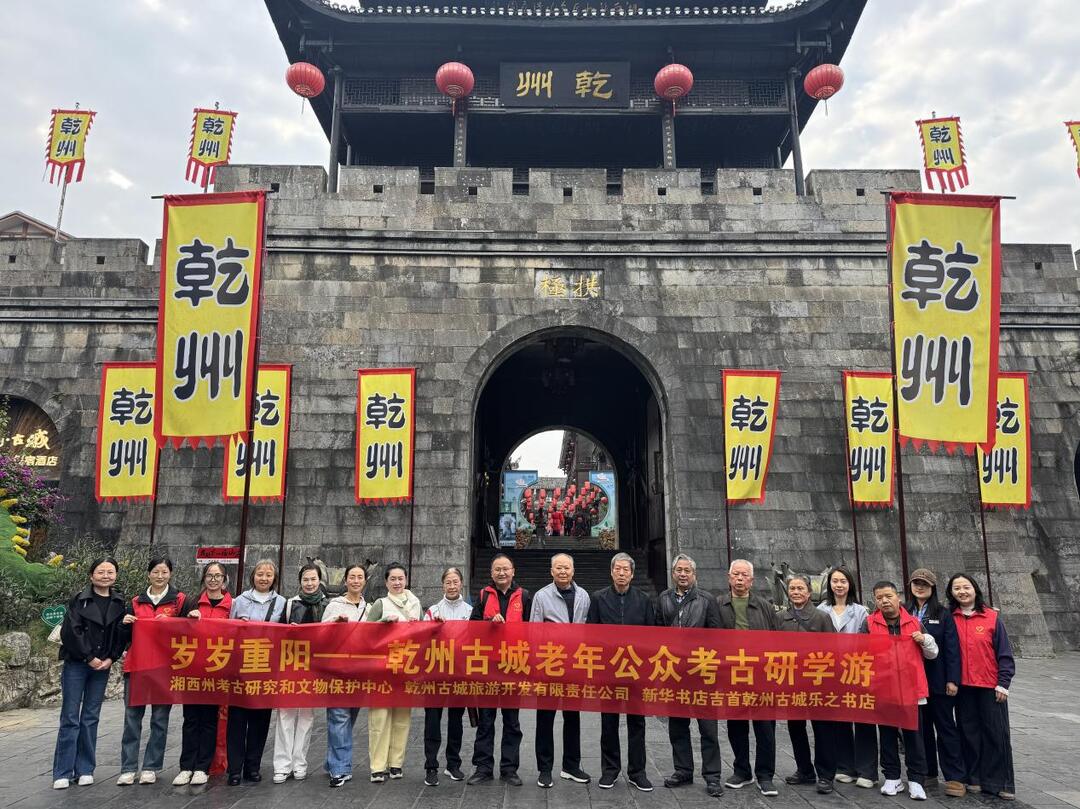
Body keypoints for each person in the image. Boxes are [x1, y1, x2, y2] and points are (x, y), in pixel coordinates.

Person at [51, 557, 128, 790]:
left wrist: (111, 658)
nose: (106, 576)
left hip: (102, 666)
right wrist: (89, 657)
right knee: (70, 717)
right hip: (78, 663)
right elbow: (71, 632)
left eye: (110, 572)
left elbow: (119, 633)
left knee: (91, 717)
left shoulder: (119, 601)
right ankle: (62, 771)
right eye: (101, 572)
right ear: (91, 575)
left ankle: (85, 768)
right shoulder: (79, 599)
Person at [656, 553, 724, 798]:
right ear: (673, 573)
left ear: (694, 574)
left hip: (701, 673)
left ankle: (713, 776)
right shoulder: (663, 598)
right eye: (679, 570)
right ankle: (683, 770)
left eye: (687, 570)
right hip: (675, 674)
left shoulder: (706, 600)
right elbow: (656, 634)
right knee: (678, 726)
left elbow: (717, 636)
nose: (683, 574)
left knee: (708, 728)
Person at [863, 580, 938, 801]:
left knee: (914, 736)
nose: (884, 601)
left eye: (888, 596)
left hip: (911, 690)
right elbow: (859, 653)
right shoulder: (868, 624)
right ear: (875, 601)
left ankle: (916, 780)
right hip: (883, 689)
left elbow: (933, 654)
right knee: (886, 735)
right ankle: (892, 777)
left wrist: (924, 640)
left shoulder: (915, 623)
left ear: (898, 597)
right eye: (879, 598)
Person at [587, 552, 655, 792]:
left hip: (636, 671)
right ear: (612, 571)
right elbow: (591, 634)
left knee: (637, 722)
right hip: (609, 671)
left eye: (626, 569)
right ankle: (610, 770)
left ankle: (638, 772)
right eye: (618, 569)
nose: (622, 573)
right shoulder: (599, 598)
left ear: (632, 574)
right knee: (609, 722)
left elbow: (652, 636)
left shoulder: (644, 599)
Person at [118, 555, 187, 785]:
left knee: (159, 719)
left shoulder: (179, 601)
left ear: (170, 574)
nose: (160, 576)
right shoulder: (136, 601)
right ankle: (128, 767)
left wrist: (189, 618)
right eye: (156, 572)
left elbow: (188, 632)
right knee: (132, 718)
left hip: (164, 668)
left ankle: (151, 766)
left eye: (164, 572)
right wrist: (125, 624)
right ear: (148, 574)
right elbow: (125, 638)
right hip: (137, 667)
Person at [947, 573, 1016, 801]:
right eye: (957, 588)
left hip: (989, 685)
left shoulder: (991, 617)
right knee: (969, 734)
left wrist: (1003, 684)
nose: (962, 592)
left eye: (966, 587)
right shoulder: (950, 617)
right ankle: (974, 777)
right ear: (951, 593)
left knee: (996, 734)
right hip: (963, 687)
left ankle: (1001, 782)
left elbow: (1004, 654)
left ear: (975, 589)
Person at [468, 553, 531, 786]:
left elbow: (532, 631)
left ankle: (509, 769)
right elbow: (471, 627)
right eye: (497, 569)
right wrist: (488, 624)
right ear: (492, 573)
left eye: (505, 569)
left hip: (513, 666)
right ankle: (483, 767)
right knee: (486, 721)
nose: (501, 573)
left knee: (512, 721)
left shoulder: (523, 596)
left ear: (513, 571)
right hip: (487, 667)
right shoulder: (484, 595)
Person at [718, 558, 779, 797]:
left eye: (744, 575)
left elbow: (776, 640)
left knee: (765, 727)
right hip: (733, 675)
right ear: (729, 577)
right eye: (736, 574)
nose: (740, 579)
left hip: (761, 675)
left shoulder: (765, 607)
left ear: (751, 580)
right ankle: (742, 771)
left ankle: (765, 775)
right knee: (736, 725)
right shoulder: (719, 604)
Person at [530, 553, 592, 789]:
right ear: (552, 571)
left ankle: (571, 766)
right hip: (549, 665)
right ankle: (545, 769)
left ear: (573, 571)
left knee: (573, 717)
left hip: (574, 666)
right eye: (558, 568)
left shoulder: (584, 595)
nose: (563, 571)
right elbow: (534, 632)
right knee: (545, 718)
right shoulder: (542, 596)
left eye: (566, 568)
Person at [905, 568, 965, 798]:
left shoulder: (943, 613)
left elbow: (952, 648)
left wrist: (953, 679)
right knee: (922, 729)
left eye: (924, 584)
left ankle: (954, 776)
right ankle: (928, 772)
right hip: (913, 681)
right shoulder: (903, 610)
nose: (920, 587)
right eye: (916, 583)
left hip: (938, 680)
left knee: (946, 728)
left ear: (932, 588)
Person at [226, 559, 286, 786]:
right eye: (260, 573)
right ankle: (234, 769)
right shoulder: (239, 601)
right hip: (241, 668)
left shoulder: (282, 602)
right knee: (237, 721)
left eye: (268, 574)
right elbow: (225, 633)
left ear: (274, 578)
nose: (264, 578)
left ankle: (253, 766)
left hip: (266, 670)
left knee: (260, 722)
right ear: (253, 576)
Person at [172, 562, 233, 786]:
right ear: (204, 578)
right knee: (190, 719)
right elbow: (174, 630)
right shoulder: (190, 602)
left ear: (224, 580)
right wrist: (187, 619)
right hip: (192, 669)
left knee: (209, 720)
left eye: (218, 576)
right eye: (210, 575)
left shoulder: (231, 606)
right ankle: (186, 766)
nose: (213, 579)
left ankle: (202, 767)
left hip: (217, 670)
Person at [817, 565, 874, 788]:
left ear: (850, 584)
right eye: (835, 581)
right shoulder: (821, 609)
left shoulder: (861, 611)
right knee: (838, 720)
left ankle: (867, 770)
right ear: (829, 585)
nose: (839, 585)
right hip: (830, 671)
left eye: (843, 581)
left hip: (855, 669)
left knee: (862, 720)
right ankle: (845, 766)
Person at [778, 575, 836, 794]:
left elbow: (832, 651)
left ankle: (826, 775)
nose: (796, 592)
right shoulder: (780, 618)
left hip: (817, 681)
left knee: (822, 729)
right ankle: (804, 770)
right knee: (796, 727)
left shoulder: (822, 618)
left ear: (809, 592)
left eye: (800, 588)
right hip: (791, 681)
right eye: (792, 588)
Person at [365, 563, 423, 783]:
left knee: (402, 718)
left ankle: (396, 763)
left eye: (401, 578)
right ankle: (377, 766)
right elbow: (365, 635)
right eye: (393, 579)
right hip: (381, 670)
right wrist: (382, 623)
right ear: (386, 582)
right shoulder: (381, 604)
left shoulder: (416, 603)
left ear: (406, 580)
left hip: (405, 668)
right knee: (379, 718)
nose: (398, 583)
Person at [272, 564, 329, 783]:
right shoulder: (289, 604)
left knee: (306, 716)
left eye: (313, 579)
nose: (310, 583)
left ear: (319, 580)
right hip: (290, 665)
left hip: (313, 667)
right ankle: (282, 765)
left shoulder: (327, 605)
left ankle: (299, 763)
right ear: (300, 581)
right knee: (285, 714)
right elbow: (276, 634)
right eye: (306, 579)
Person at [423, 566, 472, 786]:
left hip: (459, 674)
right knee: (432, 721)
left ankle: (453, 764)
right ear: (442, 585)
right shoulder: (432, 611)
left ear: (461, 583)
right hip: (435, 674)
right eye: (447, 582)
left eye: (455, 582)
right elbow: (421, 641)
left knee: (456, 721)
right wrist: (433, 628)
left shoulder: (470, 612)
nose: (451, 586)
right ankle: (431, 765)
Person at [322, 563, 369, 788]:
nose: (356, 581)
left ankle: (332, 761)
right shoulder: (334, 604)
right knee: (339, 718)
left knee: (348, 719)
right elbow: (319, 632)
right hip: (337, 671)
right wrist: (334, 623)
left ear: (365, 581)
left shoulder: (370, 608)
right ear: (346, 581)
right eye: (352, 577)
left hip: (360, 672)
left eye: (360, 577)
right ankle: (340, 769)